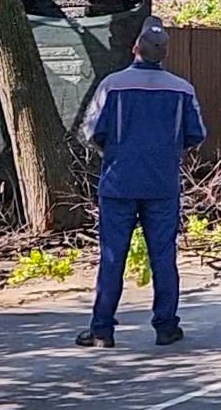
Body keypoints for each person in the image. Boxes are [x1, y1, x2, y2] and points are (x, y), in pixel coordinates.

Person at [76, 17, 205, 348]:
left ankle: (102, 329)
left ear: (136, 48)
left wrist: (118, 152)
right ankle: (165, 326)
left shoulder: (112, 85)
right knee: (163, 256)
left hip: (118, 183)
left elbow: (91, 133)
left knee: (112, 256)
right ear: (163, 54)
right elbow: (196, 135)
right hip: (162, 185)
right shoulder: (182, 89)